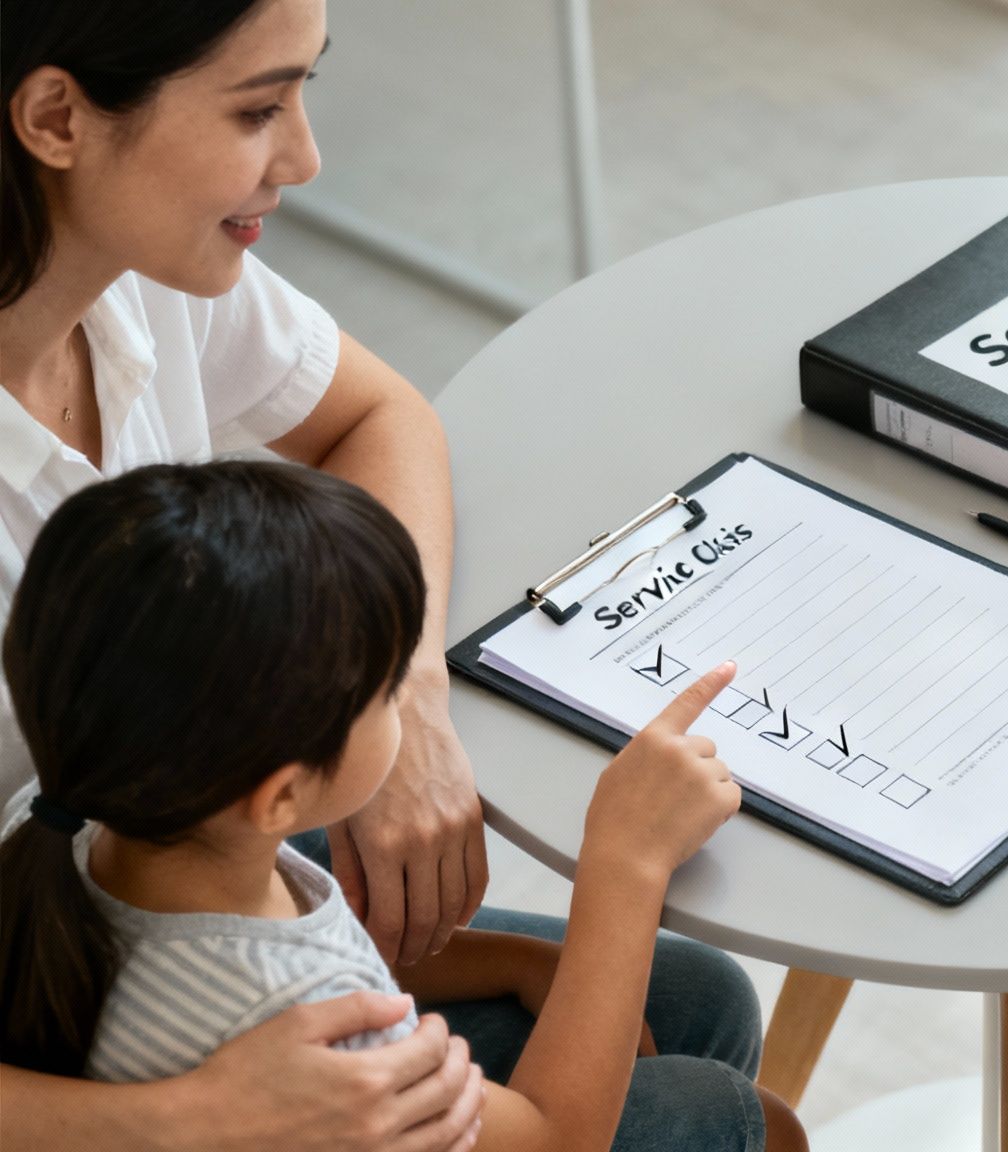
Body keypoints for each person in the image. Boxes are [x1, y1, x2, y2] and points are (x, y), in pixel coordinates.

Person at [0, 1, 779, 1147]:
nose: (307, 159)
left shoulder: (134, 260)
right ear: (57, 116)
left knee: (696, 1001)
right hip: (96, 1048)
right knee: (704, 1111)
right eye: (259, 107)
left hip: (124, 881)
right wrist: (189, 1119)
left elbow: (379, 414)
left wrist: (399, 691)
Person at [0, 461, 802, 1152]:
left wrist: (518, 961)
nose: (405, 708)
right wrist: (626, 861)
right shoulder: (306, 1018)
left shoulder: (71, 808)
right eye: (387, 690)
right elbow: (554, 1136)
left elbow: (321, 948)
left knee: (703, 996)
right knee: (755, 1124)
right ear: (280, 796)